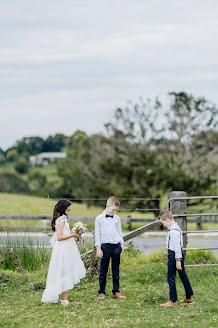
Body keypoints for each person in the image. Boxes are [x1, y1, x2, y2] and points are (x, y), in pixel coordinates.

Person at [41, 199, 86, 305]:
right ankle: (64, 299)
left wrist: (72, 232)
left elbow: (64, 232)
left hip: (66, 247)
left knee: (65, 271)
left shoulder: (63, 218)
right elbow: (59, 237)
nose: (69, 211)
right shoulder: (61, 220)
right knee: (64, 271)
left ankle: (62, 297)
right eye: (68, 209)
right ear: (63, 209)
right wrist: (73, 235)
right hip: (63, 249)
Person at [159, 210, 194, 307]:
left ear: (167, 220)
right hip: (177, 254)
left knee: (171, 277)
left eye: (163, 223)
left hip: (174, 255)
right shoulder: (175, 228)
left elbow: (177, 247)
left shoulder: (174, 232)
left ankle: (173, 300)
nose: (164, 225)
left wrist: (177, 261)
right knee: (183, 275)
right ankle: (189, 297)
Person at [95, 196, 126, 300]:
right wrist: (98, 248)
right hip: (105, 247)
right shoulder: (99, 218)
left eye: (116, 210)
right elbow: (97, 234)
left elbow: (119, 231)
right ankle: (102, 292)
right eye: (113, 209)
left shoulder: (117, 218)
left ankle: (116, 291)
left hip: (116, 246)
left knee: (116, 269)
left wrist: (122, 244)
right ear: (107, 206)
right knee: (103, 270)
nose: (115, 212)